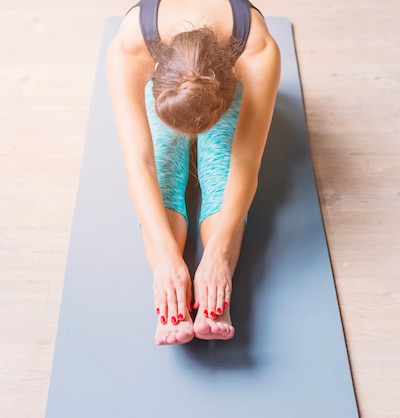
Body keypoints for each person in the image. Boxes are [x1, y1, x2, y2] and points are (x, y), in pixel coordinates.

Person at [107, 0, 280, 345]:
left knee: (220, 159)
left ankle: (216, 295)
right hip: (177, 88)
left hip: (223, 83)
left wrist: (218, 254)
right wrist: (166, 260)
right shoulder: (130, 46)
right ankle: (171, 299)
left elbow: (246, 162)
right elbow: (139, 163)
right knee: (164, 161)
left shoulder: (257, 50)